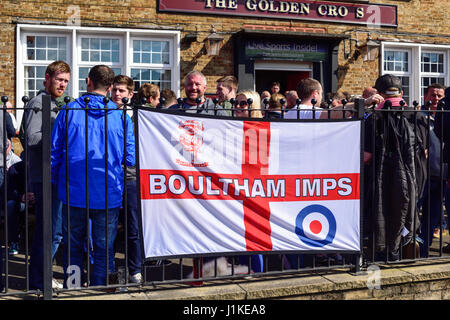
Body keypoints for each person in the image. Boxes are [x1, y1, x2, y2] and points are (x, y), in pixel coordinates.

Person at [51, 65, 135, 287]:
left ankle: (74, 284)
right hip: (108, 191)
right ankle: (100, 285)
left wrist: (55, 182)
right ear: (109, 87)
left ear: (88, 81)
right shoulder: (121, 116)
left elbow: (54, 153)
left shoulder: (69, 111)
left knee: (72, 244)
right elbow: (130, 158)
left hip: (73, 190)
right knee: (104, 247)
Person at [364, 74, 428, 261]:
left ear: (378, 93)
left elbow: (367, 156)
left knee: (382, 215)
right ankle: (402, 249)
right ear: (401, 92)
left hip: (381, 179)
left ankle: (383, 252)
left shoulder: (374, 118)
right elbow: (424, 150)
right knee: (407, 213)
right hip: (414, 177)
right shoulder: (417, 116)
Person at [23, 60, 70, 290]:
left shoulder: (53, 103)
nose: (62, 85)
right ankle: (41, 279)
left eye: (66, 82)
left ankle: (40, 277)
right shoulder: (38, 102)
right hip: (43, 177)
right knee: (50, 231)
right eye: (59, 79)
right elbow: (31, 138)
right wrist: (59, 138)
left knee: (53, 231)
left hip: (52, 176)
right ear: (48, 78)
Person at [110, 75, 143, 283]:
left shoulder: (138, 117)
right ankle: (108, 268)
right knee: (107, 227)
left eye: (122, 91)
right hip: (109, 177)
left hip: (131, 178)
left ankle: (135, 269)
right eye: (115, 90)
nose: (117, 94)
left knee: (133, 227)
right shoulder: (104, 114)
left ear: (130, 95)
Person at [418, 83, 447, 257]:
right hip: (422, 174)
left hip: (441, 174)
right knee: (414, 213)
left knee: (433, 215)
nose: (436, 99)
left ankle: (424, 248)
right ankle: (410, 247)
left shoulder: (446, 117)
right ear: (426, 97)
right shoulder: (419, 115)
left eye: (439, 96)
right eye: (433, 95)